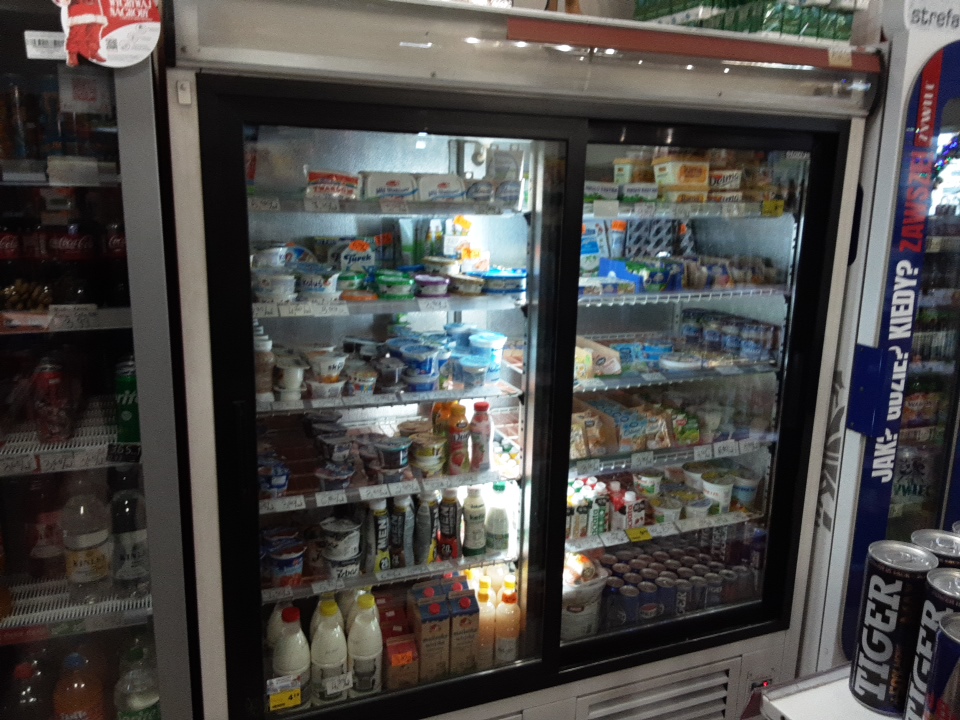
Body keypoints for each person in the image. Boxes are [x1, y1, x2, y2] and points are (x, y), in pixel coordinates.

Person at [53, 0, 107, 66]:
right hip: (78, 5)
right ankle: (72, 54)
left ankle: (93, 51)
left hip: (94, 5)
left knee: (94, 30)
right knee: (77, 31)